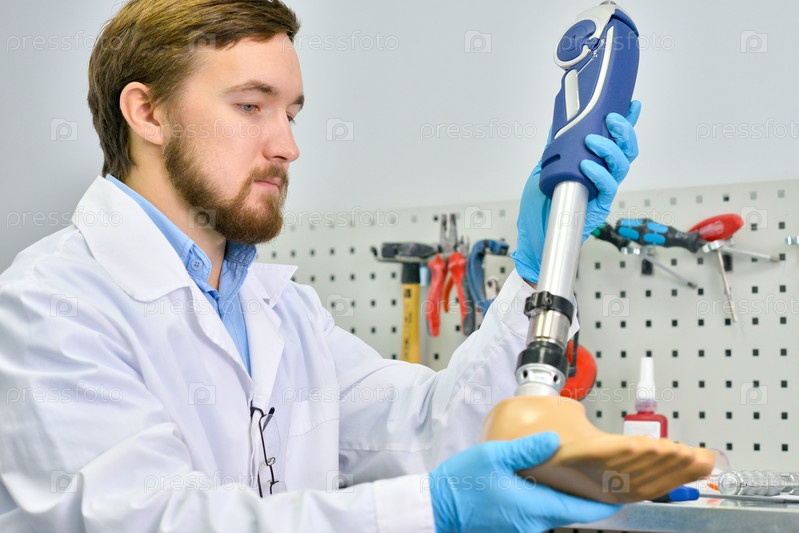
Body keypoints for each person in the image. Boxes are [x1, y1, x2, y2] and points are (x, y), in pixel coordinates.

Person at [0, 0, 640, 531]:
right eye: (250, 106)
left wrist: (535, 267)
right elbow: (148, 520)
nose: (288, 146)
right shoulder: (51, 305)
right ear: (147, 113)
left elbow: (433, 434)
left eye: (291, 113)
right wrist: (434, 510)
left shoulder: (283, 312)